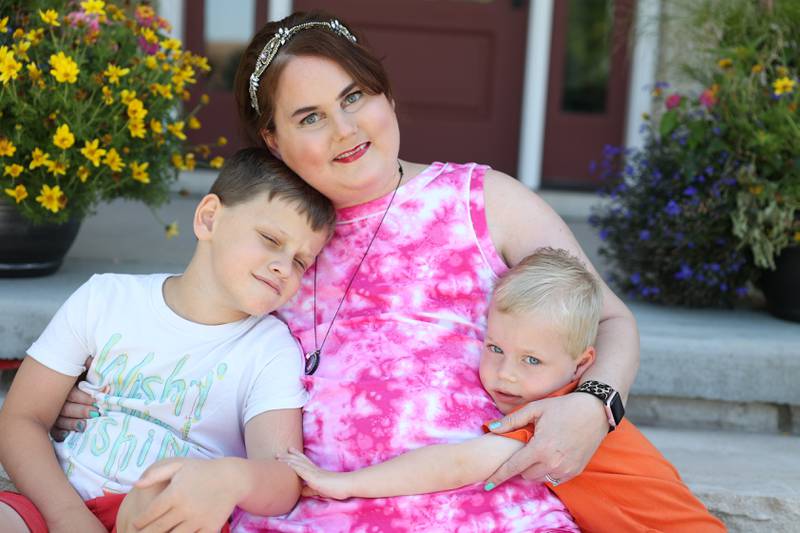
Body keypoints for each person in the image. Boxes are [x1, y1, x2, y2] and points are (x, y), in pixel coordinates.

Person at [57, 11, 642, 531]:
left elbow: (609, 317)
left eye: (355, 96)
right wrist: (97, 396)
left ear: (385, 96)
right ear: (274, 140)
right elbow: (184, 332)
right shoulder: (269, 240)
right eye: (310, 117)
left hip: (482, 507)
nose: (345, 129)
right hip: (304, 514)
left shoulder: (481, 199)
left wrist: (594, 403)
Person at [0, 148, 335, 533]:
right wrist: (66, 516)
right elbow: (21, 418)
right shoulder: (106, 299)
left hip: (173, 517)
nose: (283, 266)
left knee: (159, 495)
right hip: (57, 504)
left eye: (300, 262)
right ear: (209, 218)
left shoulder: (270, 350)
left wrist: (229, 479)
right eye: (270, 238)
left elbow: (281, 479)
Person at [279, 248, 725, 532]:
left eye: (532, 360)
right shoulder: (545, 391)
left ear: (583, 363)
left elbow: (457, 463)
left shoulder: (559, 414)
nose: (506, 375)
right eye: (495, 348)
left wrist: (343, 484)